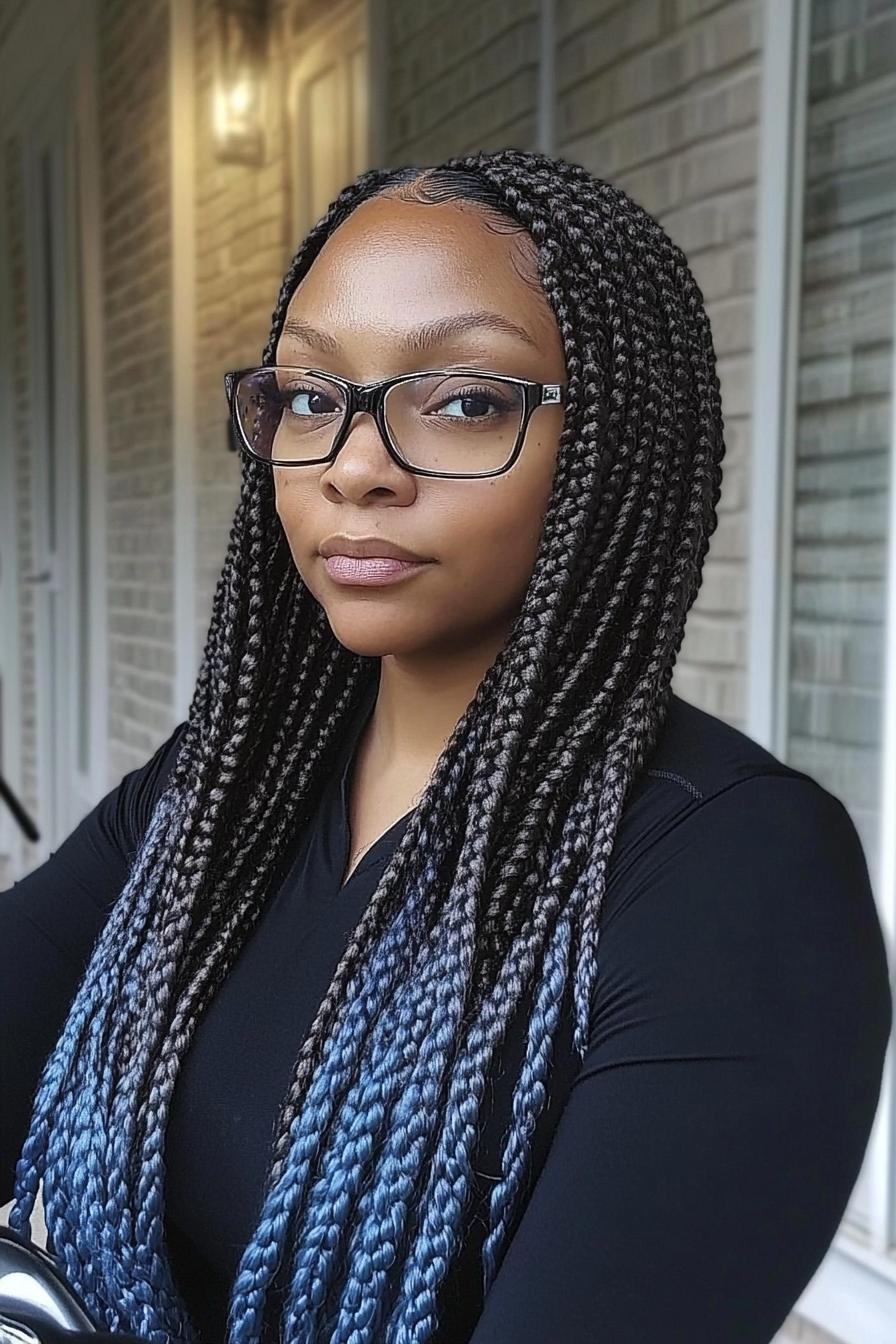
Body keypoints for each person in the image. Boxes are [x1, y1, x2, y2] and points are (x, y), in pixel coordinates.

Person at [1, 148, 891, 1344]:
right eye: (311, 397)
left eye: (466, 399)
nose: (354, 466)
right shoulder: (226, 789)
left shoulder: (733, 875)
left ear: (613, 442)